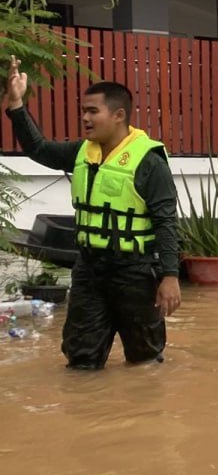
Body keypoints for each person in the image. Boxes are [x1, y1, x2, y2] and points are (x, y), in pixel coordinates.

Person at [3, 56, 181, 369]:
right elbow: (39, 149)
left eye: (92, 111)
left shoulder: (149, 162)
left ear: (118, 115)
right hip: (89, 269)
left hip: (135, 271)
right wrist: (16, 105)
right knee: (81, 357)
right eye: (83, 110)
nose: (84, 117)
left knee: (144, 360)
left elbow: (166, 222)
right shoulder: (81, 152)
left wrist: (170, 276)